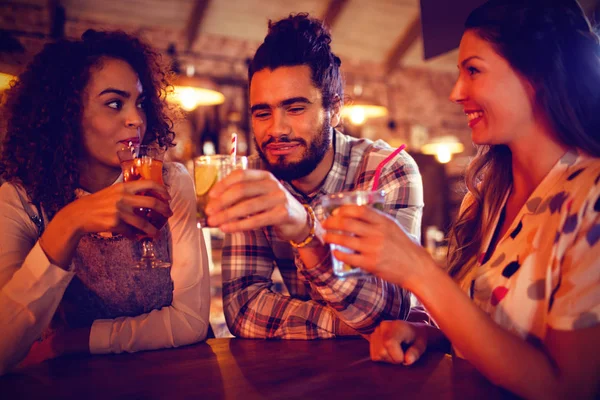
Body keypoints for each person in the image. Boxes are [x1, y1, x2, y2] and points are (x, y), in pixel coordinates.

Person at [322, 0, 600, 398]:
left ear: (536, 75)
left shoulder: (591, 197)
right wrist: (429, 333)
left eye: (473, 70)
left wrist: (419, 270)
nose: (456, 92)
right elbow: (488, 322)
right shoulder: (485, 196)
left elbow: (569, 388)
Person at [0, 30, 210, 375]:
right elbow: (5, 347)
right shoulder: (21, 200)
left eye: (140, 103)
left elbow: (189, 322)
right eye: (115, 103)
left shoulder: (169, 180)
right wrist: (68, 224)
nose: (136, 120)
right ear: (65, 115)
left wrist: (67, 342)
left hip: (177, 378)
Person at [206, 14, 423, 339]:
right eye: (263, 112)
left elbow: (390, 311)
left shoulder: (386, 170)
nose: (276, 129)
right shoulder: (250, 177)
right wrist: (342, 324)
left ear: (334, 109)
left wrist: (304, 230)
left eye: (295, 109)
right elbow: (242, 307)